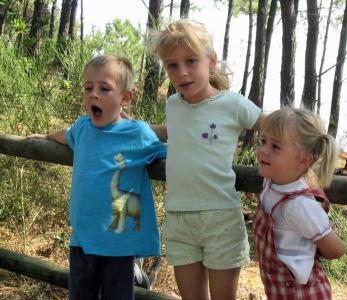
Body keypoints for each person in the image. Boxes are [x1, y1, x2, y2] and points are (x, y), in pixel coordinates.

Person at [28, 54, 166, 299]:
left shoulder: (138, 133)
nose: (94, 94)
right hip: (82, 239)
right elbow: (67, 134)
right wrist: (46, 137)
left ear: (125, 97)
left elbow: (170, 146)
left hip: (118, 245)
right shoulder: (83, 127)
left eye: (104, 88)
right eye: (88, 87)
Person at [150, 19, 265, 300]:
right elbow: (174, 132)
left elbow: (274, 126)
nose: (182, 72)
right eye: (172, 65)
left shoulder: (232, 104)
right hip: (179, 216)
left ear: (211, 60)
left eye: (191, 61)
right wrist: (133, 127)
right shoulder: (174, 104)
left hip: (220, 217)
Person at [253, 107, 345, 299]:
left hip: (302, 293)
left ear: (303, 160)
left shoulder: (299, 206)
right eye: (263, 141)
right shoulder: (271, 183)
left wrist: (311, 247)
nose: (263, 150)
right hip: (279, 290)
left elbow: (336, 250)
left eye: (275, 146)